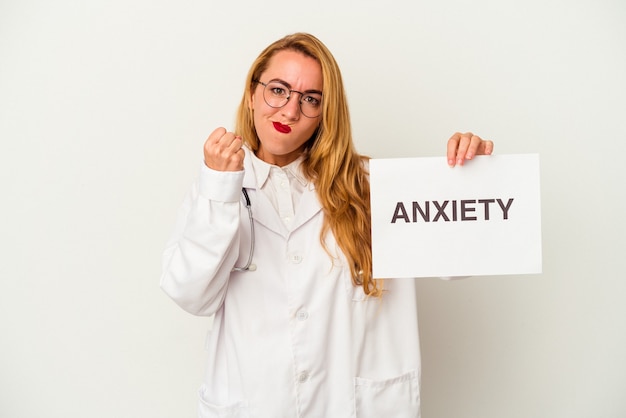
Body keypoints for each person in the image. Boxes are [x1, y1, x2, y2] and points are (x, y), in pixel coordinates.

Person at [161, 32, 494, 418]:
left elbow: (458, 262)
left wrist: (473, 179)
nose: (289, 111)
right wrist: (219, 191)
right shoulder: (219, 189)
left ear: (326, 112)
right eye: (278, 90)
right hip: (256, 404)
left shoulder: (372, 187)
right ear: (252, 94)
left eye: (310, 99)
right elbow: (191, 295)